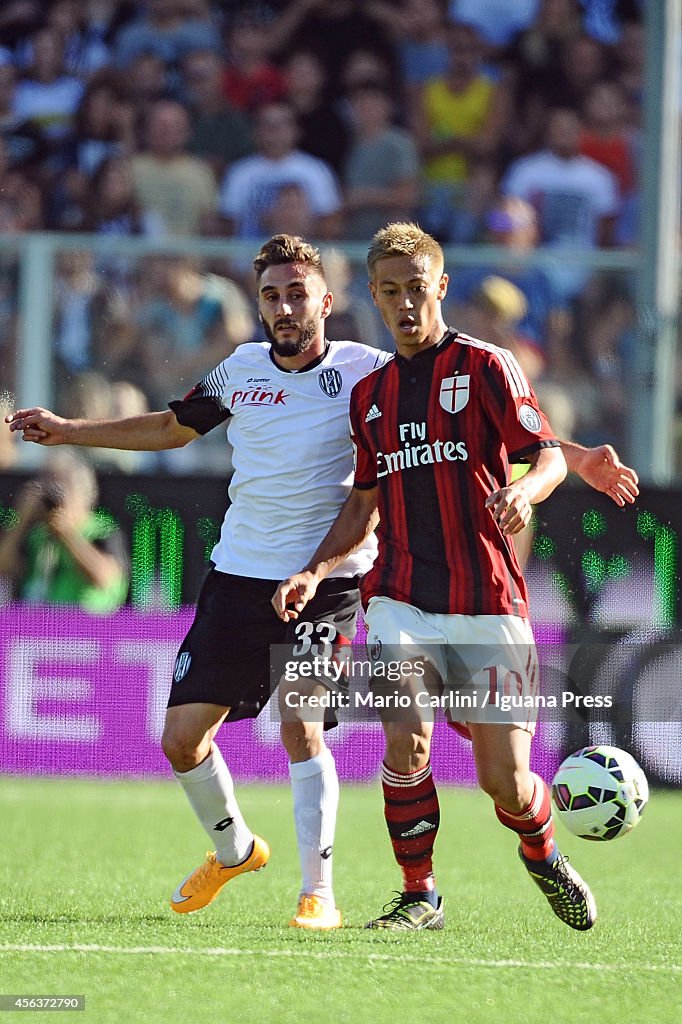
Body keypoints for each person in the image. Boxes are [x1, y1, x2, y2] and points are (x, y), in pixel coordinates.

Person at [5, 233, 390, 931]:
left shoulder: (371, 373)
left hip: (328, 580)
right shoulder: (241, 369)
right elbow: (172, 427)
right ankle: (235, 850)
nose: (284, 307)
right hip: (241, 575)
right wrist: (67, 431)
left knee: (301, 726)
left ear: (326, 302)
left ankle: (319, 893)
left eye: (297, 294)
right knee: (181, 741)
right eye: (271, 295)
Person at [272, 222, 638, 933]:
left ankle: (542, 852)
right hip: (400, 595)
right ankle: (420, 894)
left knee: (504, 781)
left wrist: (525, 492)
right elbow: (362, 505)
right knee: (405, 736)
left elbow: (547, 457)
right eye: (390, 292)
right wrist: (315, 570)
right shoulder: (370, 395)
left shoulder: (488, 367)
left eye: (417, 288)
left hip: (489, 600)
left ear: (440, 287)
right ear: (375, 299)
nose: (405, 304)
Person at [0, 448, 128, 612]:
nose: (54, 492)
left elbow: (107, 579)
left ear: (86, 491)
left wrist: (67, 534)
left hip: (83, 629)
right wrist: (21, 519)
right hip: (33, 626)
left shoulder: (102, 530)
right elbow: (4, 568)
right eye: (48, 482)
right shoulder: (36, 533)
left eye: (63, 484)